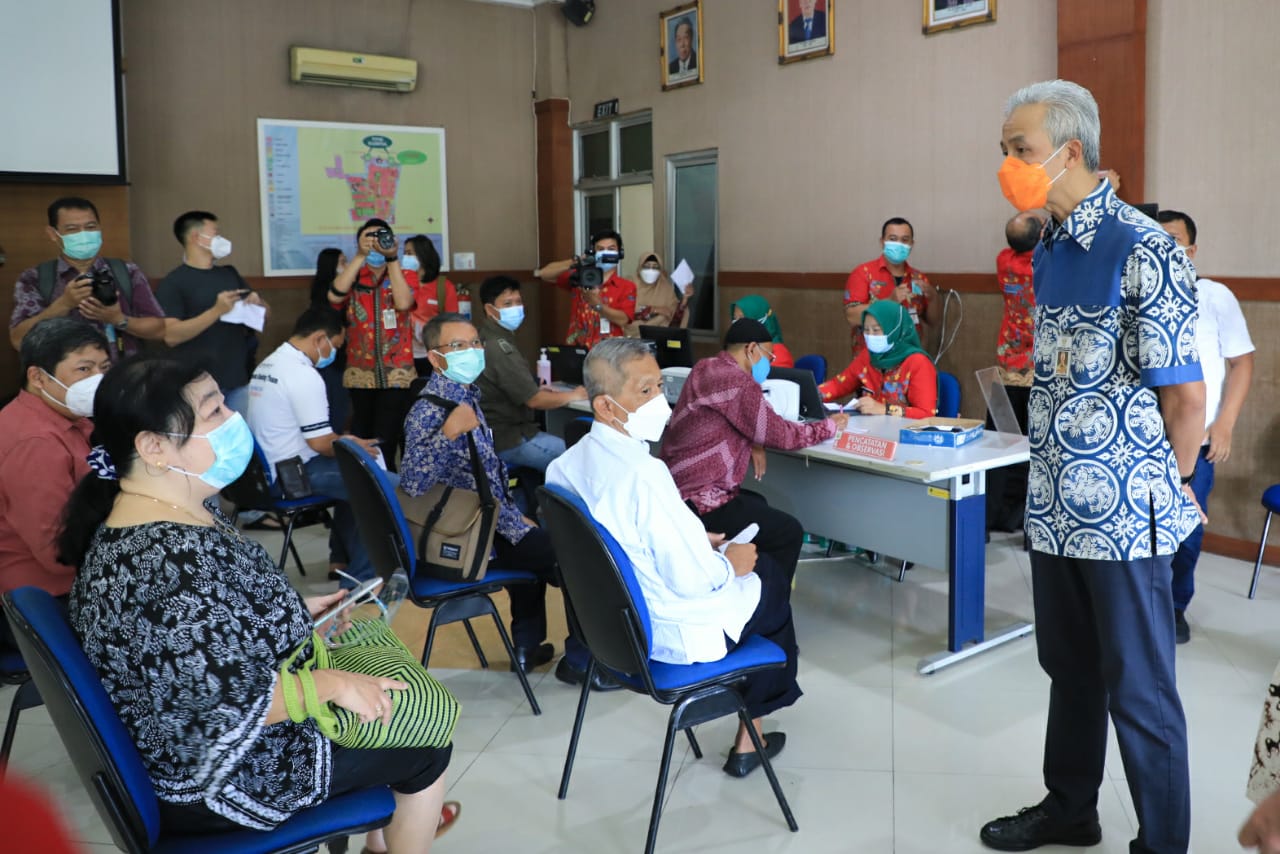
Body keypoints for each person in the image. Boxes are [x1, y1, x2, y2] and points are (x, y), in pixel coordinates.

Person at [58, 354, 458, 849]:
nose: (233, 421)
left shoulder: (173, 513)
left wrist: (292, 612)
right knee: (425, 739)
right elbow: (218, 705)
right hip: (222, 778)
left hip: (202, 749)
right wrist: (332, 683)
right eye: (213, 413)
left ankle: (393, 824)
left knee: (392, 705)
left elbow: (210, 627)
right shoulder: (163, 565)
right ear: (154, 447)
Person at [980, 79, 1204, 854]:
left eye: (1021, 150)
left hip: (1123, 519)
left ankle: (1164, 844)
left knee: (1139, 691)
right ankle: (1071, 808)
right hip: (1053, 508)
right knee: (1068, 670)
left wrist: (1164, 491)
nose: (1008, 164)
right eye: (1006, 150)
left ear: (1070, 152)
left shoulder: (1143, 248)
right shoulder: (1049, 247)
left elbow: (1185, 399)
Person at [548, 338, 801, 776]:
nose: (660, 401)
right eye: (645, 392)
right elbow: (693, 581)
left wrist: (695, 538)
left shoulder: (564, 467)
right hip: (671, 634)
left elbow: (625, 542)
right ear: (607, 407)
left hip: (608, 634)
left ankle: (747, 719)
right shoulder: (645, 474)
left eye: (661, 385)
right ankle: (751, 736)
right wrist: (730, 562)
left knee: (739, 560)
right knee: (771, 578)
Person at [401, 314, 607, 688]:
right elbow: (413, 483)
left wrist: (515, 517)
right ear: (435, 358)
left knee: (535, 542)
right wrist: (447, 434)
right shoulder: (431, 409)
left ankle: (527, 647)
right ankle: (581, 661)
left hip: (491, 525)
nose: (473, 352)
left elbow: (485, 477)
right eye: (459, 346)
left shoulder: (465, 397)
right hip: (471, 538)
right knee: (578, 559)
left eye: (476, 343)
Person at [660, 319, 848, 586]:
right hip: (701, 498)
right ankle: (773, 607)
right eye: (768, 355)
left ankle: (750, 585)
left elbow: (737, 421)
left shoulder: (704, 368)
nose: (768, 363)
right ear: (751, 349)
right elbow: (781, 435)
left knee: (758, 502)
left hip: (675, 489)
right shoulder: (739, 382)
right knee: (789, 531)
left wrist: (755, 441)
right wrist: (828, 427)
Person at [1158, 209, 1255, 645]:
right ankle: (1142, 607)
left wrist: (1225, 425)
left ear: (1192, 250)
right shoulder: (1136, 295)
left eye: (1174, 240)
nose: (1165, 248)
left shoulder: (1214, 297)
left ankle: (1175, 607)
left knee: (1187, 531)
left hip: (1196, 443)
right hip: (1143, 438)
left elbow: (1242, 363)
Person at [245, 308, 386, 587]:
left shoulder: (269, 365)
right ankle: (364, 581)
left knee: (355, 476)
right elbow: (321, 444)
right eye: (334, 346)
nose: (333, 353)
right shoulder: (302, 375)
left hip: (262, 475)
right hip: (291, 476)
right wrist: (350, 445)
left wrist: (347, 442)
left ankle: (341, 560)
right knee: (378, 485)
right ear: (320, 339)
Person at [0, 319, 110, 646]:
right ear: (38, 377)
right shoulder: (37, 442)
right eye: (84, 369)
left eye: (104, 367)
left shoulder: (67, 418)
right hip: (51, 595)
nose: (98, 380)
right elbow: (58, 552)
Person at [10, 196, 168, 358]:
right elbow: (18, 340)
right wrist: (64, 304)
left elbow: (159, 329)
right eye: (72, 229)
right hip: (66, 379)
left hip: (122, 375)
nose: (83, 235)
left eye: (90, 227)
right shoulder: (35, 278)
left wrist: (118, 319)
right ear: (53, 234)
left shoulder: (125, 271)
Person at [156, 210, 270, 415]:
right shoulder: (174, 282)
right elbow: (171, 336)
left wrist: (258, 303)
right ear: (196, 238)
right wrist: (217, 311)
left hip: (237, 380)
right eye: (216, 233)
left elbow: (264, 317)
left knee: (240, 440)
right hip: (196, 385)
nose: (221, 238)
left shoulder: (229, 273)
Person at [328, 218, 417, 471]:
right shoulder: (353, 274)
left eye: (381, 237)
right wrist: (359, 256)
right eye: (368, 238)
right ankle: (366, 489)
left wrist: (392, 259)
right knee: (362, 435)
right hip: (359, 372)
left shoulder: (403, 273)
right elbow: (334, 295)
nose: (375, 243)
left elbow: (403, 303)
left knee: (386, 439)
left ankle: (387, 495)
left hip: (397, 373)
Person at [475, 275, 585, 474]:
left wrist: (534, 387)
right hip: (510, 438)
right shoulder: (500, 348)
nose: (516, 308)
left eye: (518, 302)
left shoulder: (487, 336)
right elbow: (534, 401)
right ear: (490, 309)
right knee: (579, 460)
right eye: (507, 303)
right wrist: (574, 395)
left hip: (493, 434)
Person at [986, 209, 1045, 534]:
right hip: (1040, 372)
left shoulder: (1004, 261)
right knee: (1033, 448)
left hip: (1007, 367)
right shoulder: (1045, 261)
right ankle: (1021, 516)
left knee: (999, 444)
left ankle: (992, 514)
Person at [818, 301, 938, 418]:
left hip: (903, 434)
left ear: (894, 330)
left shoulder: (918, 362)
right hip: (870, 431)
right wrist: (810, 394)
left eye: (876, 330)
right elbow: (839, 384)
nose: (870, 336)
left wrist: (884, 409)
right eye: (866, 330)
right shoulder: (868, 356)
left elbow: (926, 413)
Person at [843, 217, 940, 354]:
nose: (899, 244)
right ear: (882, 242)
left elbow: (933, 322)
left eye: (905, 240)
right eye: (893, 239)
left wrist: (933, 297)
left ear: (912, 244)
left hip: (910, 360)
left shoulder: (918, 278)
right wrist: (889, 302)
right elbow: (851, 317)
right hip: (871, 362)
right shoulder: (863, 273)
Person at [535, 229, 637, 349]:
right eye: (600, 249)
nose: (605, 253)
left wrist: (598, 306)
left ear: (620, 253)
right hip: (577, 347)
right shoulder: (579, 277)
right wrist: (576, 261)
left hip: (609, 351)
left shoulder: (627, 286)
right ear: (594, 253)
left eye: (611, 249)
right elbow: (542, 274)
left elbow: (623, 319)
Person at [403, 234, 458, 377]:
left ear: (423, 255)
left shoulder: (443, 286)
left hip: (433, 355)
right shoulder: (399, 284)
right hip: (402, 355)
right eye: (404, 254)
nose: (405, 258)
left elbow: (453, 323)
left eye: (409, 253)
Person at [627, 251, 690, 334]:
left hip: (658, 334)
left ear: (660, 270)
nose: (651, 270)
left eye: (655, 267)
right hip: (633, 333)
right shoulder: (629, 284)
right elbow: (623, 314)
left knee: (684, 311)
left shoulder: (664, 287)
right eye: (646, 266)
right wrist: (653, 309)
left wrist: (685, 298)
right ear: (639, 268)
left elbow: (674, 315)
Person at [729, 295, 795, 368]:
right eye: (735, 319)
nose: (737, 325)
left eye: (742, 319)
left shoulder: (778, 356)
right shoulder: (740, 348)